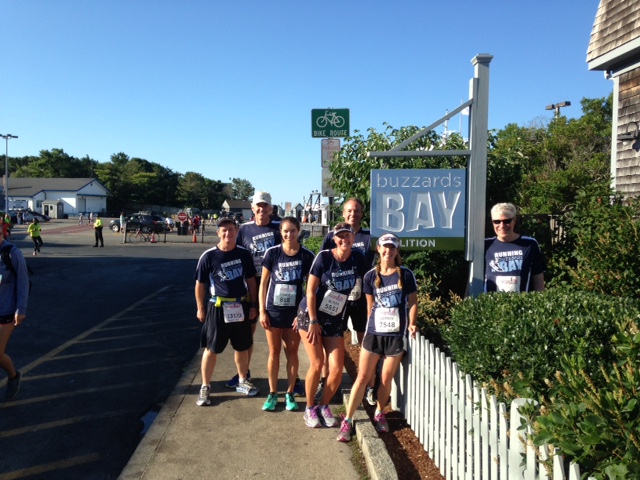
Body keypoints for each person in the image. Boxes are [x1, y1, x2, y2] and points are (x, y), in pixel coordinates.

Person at [337, 233, 418, 442]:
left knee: (385, 378)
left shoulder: (406, 275)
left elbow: (413, 301)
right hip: (374, 334)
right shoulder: (370, 276)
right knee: (363, 377)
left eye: (392, 248)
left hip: (395, 336)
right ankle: (347, 419)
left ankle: (380, 412)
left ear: (397, 251)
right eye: (385, 247)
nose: (388, 251)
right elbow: (369, 306)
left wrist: (413, 322)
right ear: (379, 250)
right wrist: (366, 330)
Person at [297, 222, 367, 428]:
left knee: (336, 369)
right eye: (340, 237)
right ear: (334, 240)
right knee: (318, 363)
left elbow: (371, 279)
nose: (344, 239)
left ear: (354, 238)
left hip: (335, 317)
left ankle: (323, 405)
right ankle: (309, 407)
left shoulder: (358, 258)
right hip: (311, 316)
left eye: (348, 236)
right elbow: (310, 290)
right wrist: (313, 320)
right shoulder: (324, 257)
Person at [194, 217, 259, 406]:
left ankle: (242, 380)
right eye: (223, 230)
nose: (227, 234)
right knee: (211, 349)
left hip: (241, 306)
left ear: (236, 231)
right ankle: (205, 386)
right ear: (218, 232)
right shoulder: (208, 256)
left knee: (242, 346)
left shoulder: (243, 254)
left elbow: (251, 282)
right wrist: (200, 308)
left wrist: (253, 305)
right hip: (218, 307)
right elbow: (200, 285)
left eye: (231, 230)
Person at [318, 198, 376, 402]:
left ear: (362, 213)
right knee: (331, 342)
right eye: (349, 211)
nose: (353, 214)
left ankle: (368, 385)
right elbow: (322, 265)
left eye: (357, 211)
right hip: (335, 298)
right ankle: (325, 383)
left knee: (365, 342)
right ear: (343, 213)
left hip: (360, 298)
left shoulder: (370, 237)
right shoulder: (332, 236)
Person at [226, 190, 284, 392]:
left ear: (270, 208)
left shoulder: (279, 228)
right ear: (253, 208)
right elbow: (235, 255)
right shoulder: (244, 229)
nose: (261, 209)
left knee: (278, 335)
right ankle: (244, 372)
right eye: (258, 206)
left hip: (275, 288)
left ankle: (289, 378)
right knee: (247, 333)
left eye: (265, 206)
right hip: (250, 286)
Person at [259, 217, 315, 412]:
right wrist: (262, 311)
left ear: (298, 231)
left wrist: (302, 313)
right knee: (274, 352)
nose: (289, 235)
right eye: (285, 231)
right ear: (280, 233)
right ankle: (273, 393)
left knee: (291, 351)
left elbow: (311, 288)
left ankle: (290, 393)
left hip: (294, 312)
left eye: (292, 231)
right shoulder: (272, 253)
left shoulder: (307, 256)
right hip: (273, 310)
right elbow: (264, 284)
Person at [484, 203, 545, 293]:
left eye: (506, 221)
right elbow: (473, 275)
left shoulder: (529, 244)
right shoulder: (485, 244)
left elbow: (538, 275)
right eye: (497, 221)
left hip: (521, 303)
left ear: (514, 221)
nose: (502, 226)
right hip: (491, 304)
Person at [0, 226, 29, 401]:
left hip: (7, 312)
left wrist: (21, 309)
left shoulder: (12, 253)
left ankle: (13, 376)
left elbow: (23, 282)